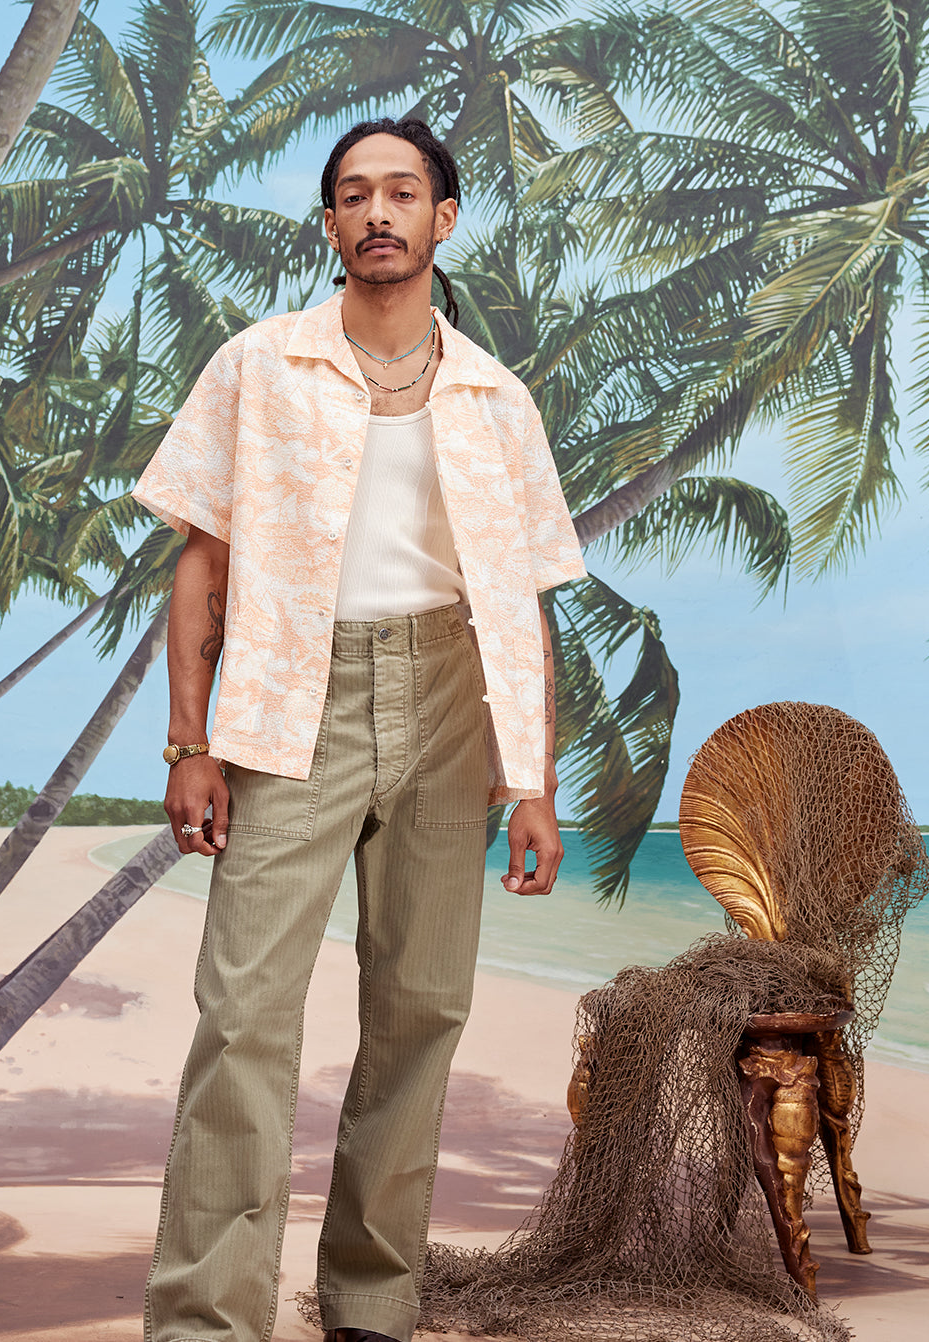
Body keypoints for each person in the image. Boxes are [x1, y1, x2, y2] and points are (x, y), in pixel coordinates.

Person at [131, 115, 587, 1342]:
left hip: (448, 699)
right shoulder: (258, 365)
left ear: (446, 217)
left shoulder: (498, 397)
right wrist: (190, 743)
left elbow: (522, 605)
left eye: (402, 192)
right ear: (329, 225)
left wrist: (529, 780)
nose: (376, 211)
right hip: (292, 696)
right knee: (242, 1013)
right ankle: (206, 1321)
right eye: (352, 194)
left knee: (422, 1007)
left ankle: (372, 1304)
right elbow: (200, 564)